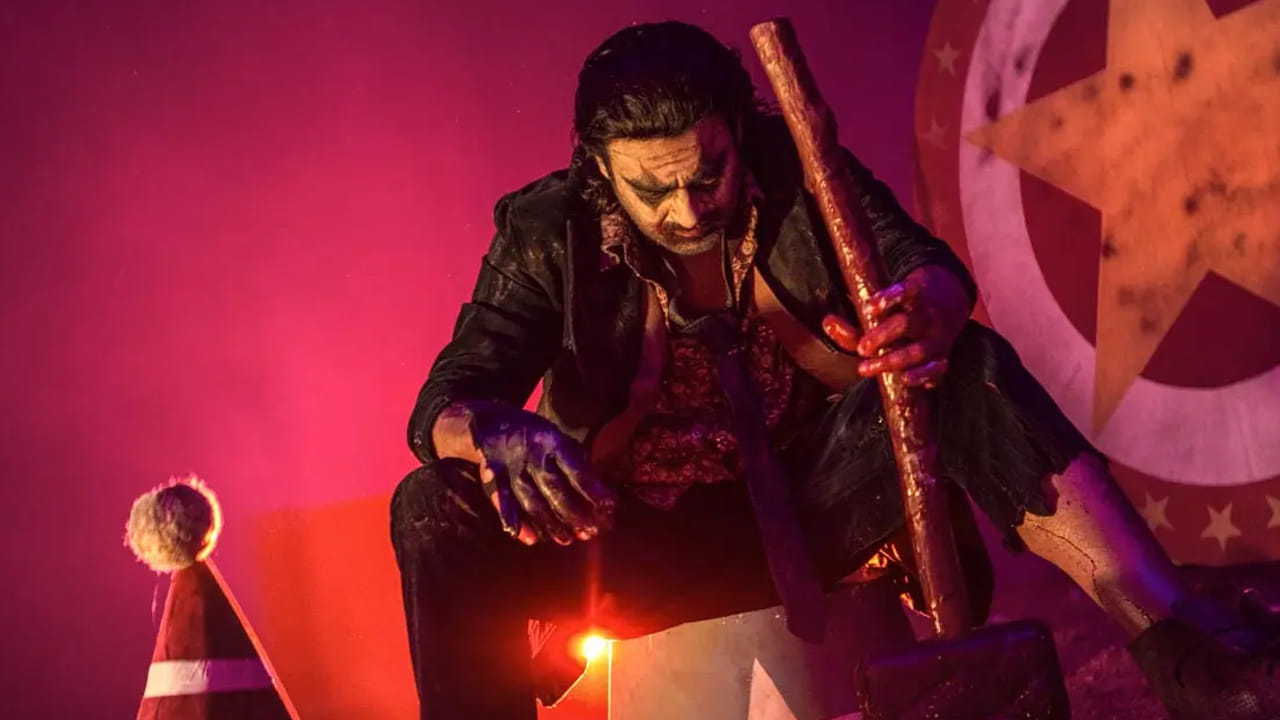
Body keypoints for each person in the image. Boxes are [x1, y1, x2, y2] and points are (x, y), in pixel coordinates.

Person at [390, 20, 1278, 720]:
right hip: (626, 545)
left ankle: (1188, 654)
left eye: (708, 174)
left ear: (740, 133)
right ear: (597, 169)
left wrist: (925, 313)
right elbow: (445, 401)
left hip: (814, 515)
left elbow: (925, 268)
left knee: (968, 363)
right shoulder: (544, 232)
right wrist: (493, 430)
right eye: (650, 190)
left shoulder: (802, 171)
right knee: (432, 503)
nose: (686, 210)